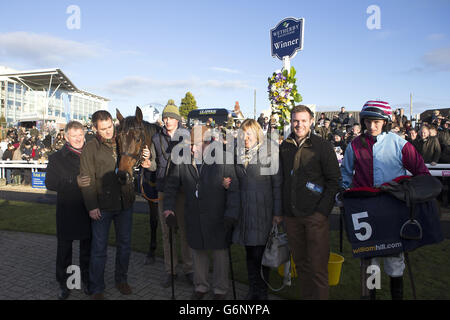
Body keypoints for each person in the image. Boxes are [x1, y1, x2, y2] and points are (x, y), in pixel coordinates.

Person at [341, 100, 430, 300]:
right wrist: (344, 193)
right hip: (365, 210)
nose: (371, 126)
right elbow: (345, 175)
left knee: (394, 260)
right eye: (368, 122)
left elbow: (421, 172)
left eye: (377, 122)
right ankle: (371, 296)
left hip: (393, 209)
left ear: (385, 122)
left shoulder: (400, 143)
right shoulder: (354, 145)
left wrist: (410, 193)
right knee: (371, 259)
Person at [79, 110, 150, 300]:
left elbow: (133, 154)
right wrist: (91, 206)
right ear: (95, 128)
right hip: (101, 206)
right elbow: (85, 179)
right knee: (99, 249)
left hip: (125, 203)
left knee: (125, 246)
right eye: (103, 129)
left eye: (110, 126)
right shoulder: (90, 148)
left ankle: (121, 280)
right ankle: (97, 288)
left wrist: (145, 156)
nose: (109, 131)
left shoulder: (122, 140)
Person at [163, 125, 240, 300]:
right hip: (194, 215)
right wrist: (168, 209)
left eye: (196, 145)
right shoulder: (181, 159)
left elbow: (234, 189)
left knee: (220, 254)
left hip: (219, 216)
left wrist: (232, 214)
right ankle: (201, 286)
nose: (192, 148)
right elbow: (171, 186)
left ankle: (220, 290)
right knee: (198, 252)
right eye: (190, 144)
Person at [279, 105, 341, 300]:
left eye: (303, 120)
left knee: (318, 268)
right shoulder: (285, 146)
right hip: (292, 216)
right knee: (302, 266)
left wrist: (321, 212)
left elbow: (334, 181)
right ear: (291, 122)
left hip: (315, 217)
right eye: (296, 120)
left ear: (311, 121)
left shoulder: (322, 146)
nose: (299, 124)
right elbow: (282, 180)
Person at [228, 119, 282, 300]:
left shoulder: (269, 151)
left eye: (249, 133)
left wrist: (277, 212)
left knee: (261, 255)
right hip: (245, 211)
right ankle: (253, 289)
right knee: (250, 253)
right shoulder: (238, 154)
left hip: (263, 212)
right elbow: (235, 181)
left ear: (257, 133)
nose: (245, 138)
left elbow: (277, 185)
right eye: (242, 134)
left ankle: (262, 292)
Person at [149, 100, 194, 287]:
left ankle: (189, 269)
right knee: (167, 233)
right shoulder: (155, 139)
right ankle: (171, 270)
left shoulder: (187, 136)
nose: (167, 121)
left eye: (170, 117)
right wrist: (147, 164)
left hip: (182, 190)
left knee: (185, 231)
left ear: (177, 120)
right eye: (165, 117)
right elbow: (153, 163)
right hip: (163, 189)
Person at [45, 121, 91, 300]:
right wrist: (74, 181)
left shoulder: (90, 153)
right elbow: (50, 183)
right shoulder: (56, 158)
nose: (78, 138)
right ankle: (65, 283)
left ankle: (85, 280)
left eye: (80, 134)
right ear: (66, 137)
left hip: (88, 207)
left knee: (87, 248)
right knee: (65, 250)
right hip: (67, 209)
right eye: (74, 135)